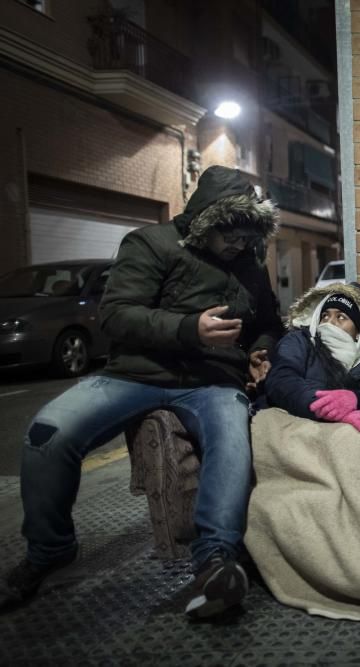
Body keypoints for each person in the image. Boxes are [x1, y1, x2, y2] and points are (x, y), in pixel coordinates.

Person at [0, 166, 283, 618]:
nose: (238, 242)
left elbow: (268, 323)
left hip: (213, 381)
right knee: (48, 433)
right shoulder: (150, 243)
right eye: (230, 230)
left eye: (248, 233)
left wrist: (261, 351)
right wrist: (191, 328)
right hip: (136, 373)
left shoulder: (249, 264)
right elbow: (115, 315)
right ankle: (49, 549)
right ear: (207, 218)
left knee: (232, 444)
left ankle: (214, 560)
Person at [263, 282, 360, 436]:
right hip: (293, 429)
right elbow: (281, 381)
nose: (330, 322)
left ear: (359, 332)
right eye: (325, 316)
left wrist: (359, 400)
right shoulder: (299, 342)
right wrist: (329, 411)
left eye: (341, 317)